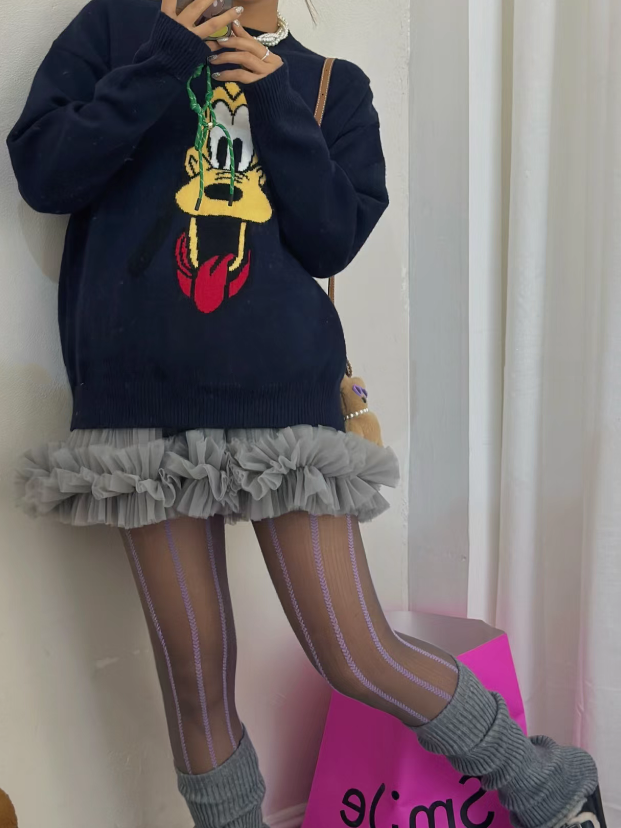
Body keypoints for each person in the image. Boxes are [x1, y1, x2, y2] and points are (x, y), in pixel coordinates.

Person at [6, 0, 606, 826]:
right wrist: (163, 58)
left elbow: (331, 239)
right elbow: (46, 174)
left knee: (355, 651)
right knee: (193, 671)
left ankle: (548, 784)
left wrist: (274, 98)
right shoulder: (116, 27)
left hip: (284, 406)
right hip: (139, 408)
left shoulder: (331, 84)